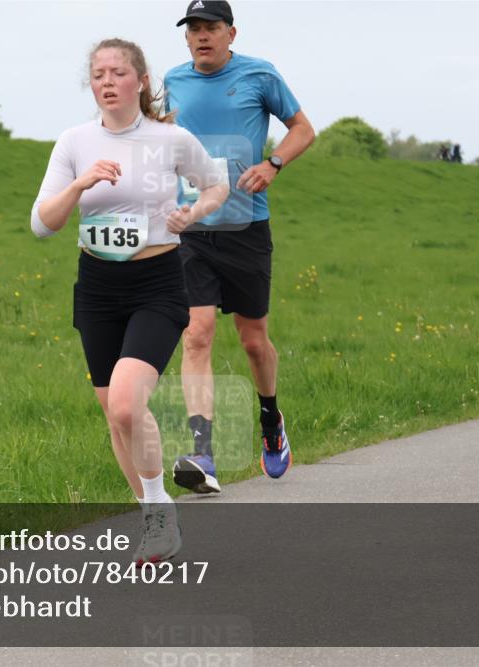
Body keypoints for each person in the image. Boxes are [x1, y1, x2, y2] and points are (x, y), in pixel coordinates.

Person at [31, 38, 228, 560]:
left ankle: (160, 509)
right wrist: (80, 186)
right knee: (116, 417)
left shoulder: (171, 139)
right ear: (91, 84)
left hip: (157, 284)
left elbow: (215, 185)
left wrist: (193, 214)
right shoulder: (74, 142)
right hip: (96, 289)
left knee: (125, 403)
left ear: (140, 81)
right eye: (98, 74)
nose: (108, 81)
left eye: (119, 72)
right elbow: (41, 224)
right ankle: (154, 519)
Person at [163, 1, 315, 493]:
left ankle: (271, 420)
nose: (202, 37)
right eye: (194, 30)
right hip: (191, 229)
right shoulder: (173, 81)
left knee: (253, 341)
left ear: (232, 33)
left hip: (246, 227)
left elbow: (303, 130)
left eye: (211, 28)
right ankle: (201, 453)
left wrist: (273, 164)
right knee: (197, 333)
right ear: (186, 38)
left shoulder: (260, 75)